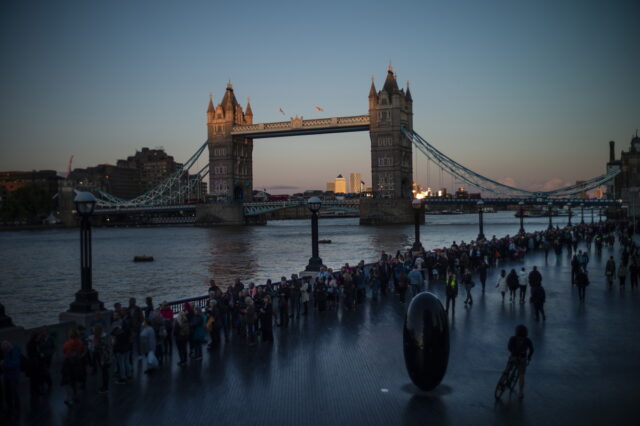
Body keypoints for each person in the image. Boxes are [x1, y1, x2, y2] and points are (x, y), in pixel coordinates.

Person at [507, 325, 534, 399]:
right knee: (521, 375)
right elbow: (531, 349)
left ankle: (503, 382)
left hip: (514, 357)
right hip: (522, 358)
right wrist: (529, 357)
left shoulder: (513, 338)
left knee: (507, 370)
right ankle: (521, 392)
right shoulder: (527, 340)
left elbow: (509, 347)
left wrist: (514, 352)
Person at [61, 329, 85, 406]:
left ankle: (69, 399)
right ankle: (75, 396)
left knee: (68, 382)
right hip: (77, 363)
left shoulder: (67, 343)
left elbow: (64, 351)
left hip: (68, 364)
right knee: (76, 381)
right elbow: (82, 351)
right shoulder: (80, 343)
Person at [1, 340, 22, 417]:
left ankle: (17, 409)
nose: (4, 351)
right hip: (7, 376)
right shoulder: (8, 352)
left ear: (8, 347)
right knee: (8, 394)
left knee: (14, 393)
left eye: (5, 349)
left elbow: (15, 364)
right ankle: (10, 409)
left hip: (13, 376)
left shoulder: (14, 352)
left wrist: (4, 364)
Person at [90, 324, 111, 393]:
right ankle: (105, 386)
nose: (92, 330)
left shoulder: (100, 339)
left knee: (104, 372)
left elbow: (102, 350)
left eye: (93, 329)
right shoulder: (103, 337)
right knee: (105, 372)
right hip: (104, 358)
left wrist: (102, 359)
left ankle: (105, 387)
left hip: (102, 358)